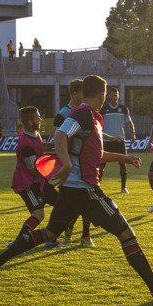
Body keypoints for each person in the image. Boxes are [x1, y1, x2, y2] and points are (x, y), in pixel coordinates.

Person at [0, 75, 153, 301]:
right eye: (104, 95)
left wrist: (124, 157)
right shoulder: (82, 114)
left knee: (49, 233)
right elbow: (61, 135)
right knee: (126, 233)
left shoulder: (91, 118)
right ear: (101, 95)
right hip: (85, 190)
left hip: (71, 191)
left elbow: (95, 154)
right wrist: (68, 163)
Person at [4, 106, 59, 252]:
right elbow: (33, 169)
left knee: (61, 205)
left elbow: (40, 146)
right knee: (38, 214)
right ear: (29, 122)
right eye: (37, 117)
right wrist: (55, 162)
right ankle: (17, 245)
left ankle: (51, 240)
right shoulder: (25, 143)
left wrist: (56, 146)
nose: (40, 119)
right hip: (27, 184)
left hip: (38, 181)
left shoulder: (34, 133)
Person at [54, 79, 93, 245]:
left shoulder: (86, 111)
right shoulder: (62, 114)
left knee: (88, 200)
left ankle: (85, 235)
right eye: (84, 92)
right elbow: (58, 138)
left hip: (88, 164)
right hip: (71, 167)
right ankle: (60, 233)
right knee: (73, 203)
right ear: (75, 93)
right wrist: (65, 163)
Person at [100, 86, 136, 194]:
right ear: (109, 96)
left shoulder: (124, 109)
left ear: (118, 96)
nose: (115, 97)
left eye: (116, 95)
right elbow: (99, 124)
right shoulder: (104, 109)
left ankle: (123, 187)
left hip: (120, 140)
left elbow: (129, 122)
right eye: (113, 95)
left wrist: (132, 133)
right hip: (107, 141)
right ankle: (98, 186)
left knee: (123, 162)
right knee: (102, 164)